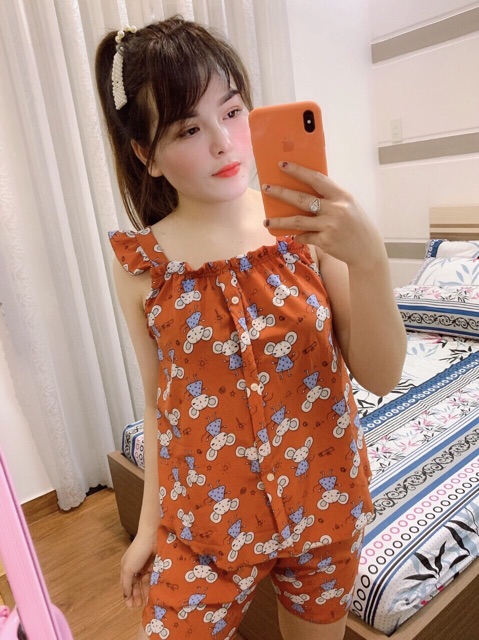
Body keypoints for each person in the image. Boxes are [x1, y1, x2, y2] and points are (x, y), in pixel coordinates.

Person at [95, 16, 406, 640]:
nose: (224, 142)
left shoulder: (307, 229)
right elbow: (160, 405)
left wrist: (370, 261)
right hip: (204, 526)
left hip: (324, 507)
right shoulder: (141, 266)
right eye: (189, 128)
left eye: (233, 111)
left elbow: (380, 375)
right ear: (145, 155)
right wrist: (150, 526)